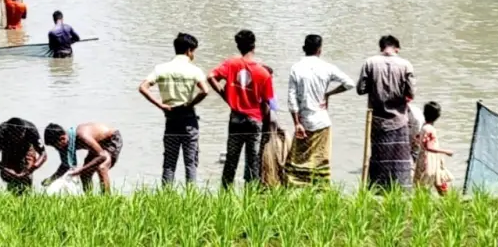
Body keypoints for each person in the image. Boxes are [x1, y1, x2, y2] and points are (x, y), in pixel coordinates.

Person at [139, 33, 208, 186]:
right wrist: (190, 104)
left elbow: (143, 87)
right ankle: (191, 196)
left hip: (170, 118)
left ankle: (166, 197)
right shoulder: (194, 70)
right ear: (189, 51)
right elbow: (205, 91)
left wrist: (160, 105)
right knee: (190, 162)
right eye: (193, 51)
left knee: (169, 161)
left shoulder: (161, 69)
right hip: (188, 118)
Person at [285, 34, 354, 186]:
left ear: (304, 49)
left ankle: (297, 188)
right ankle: (320, 190)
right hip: (322, 121)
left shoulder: (296, 68)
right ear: (320, 50)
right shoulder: (327, 68)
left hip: (303, 122)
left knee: (298, 162)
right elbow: (349, 83)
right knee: (320, 160)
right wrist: (329, 94)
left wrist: (297, 123)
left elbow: (292, 99)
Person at [208, 30, 273, 189]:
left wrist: (226, 96)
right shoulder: (263, 72)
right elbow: (267, 102)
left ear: (238, 46)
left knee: (231, 159)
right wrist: (264, 120)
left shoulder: (231, 64)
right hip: (254, 120)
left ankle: (225, 194)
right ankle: (251, 196)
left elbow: (210, 77)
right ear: (254, 45)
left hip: (236, 119)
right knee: (253, 161)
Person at [357, 35, 415, 190]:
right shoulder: (405, 65)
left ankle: (377, 188)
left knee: (378, 156)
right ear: (397, 48)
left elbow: (360, 89)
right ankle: (400, 188)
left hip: (377, 120)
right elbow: (411, 93)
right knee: (399, 158)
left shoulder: (370, 63)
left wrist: (375, 87)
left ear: (381, 48)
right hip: (399, 119)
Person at [43, 122, 123, 193]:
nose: (57, 149)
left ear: (62, 139)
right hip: (97, 146)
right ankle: (89, 199)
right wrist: (51, 179)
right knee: (85, 174)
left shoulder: (82, 136)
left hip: (111, 140)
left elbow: (102, 156)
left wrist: (80, 170)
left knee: (101, 167)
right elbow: (65, 165)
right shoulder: (65, 144)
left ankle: (106, 199)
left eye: (56, 146)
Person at [0, 118, 47, 194]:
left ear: (24, 131)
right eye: (15, 136)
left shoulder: (31, 129)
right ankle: (13, 196)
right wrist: (6, 170)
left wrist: (30, 170)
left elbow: (43, 154)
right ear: (9, 132)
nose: (17, 138)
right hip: (8, 148)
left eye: (20, 135)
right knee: (9, 177)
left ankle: (27, 195)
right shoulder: (2, 131)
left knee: (26, 177)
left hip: (26, 148)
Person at [413, 102, 454, 195]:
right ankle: (447, 200)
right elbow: (429, 147)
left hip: (424, 158)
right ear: (437, 116)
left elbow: (417, 139)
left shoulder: (424, 127)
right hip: (430, 159)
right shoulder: (430, 129)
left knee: (424, 182)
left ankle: (423, 201)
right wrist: (446, 151)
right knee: (436, 180)